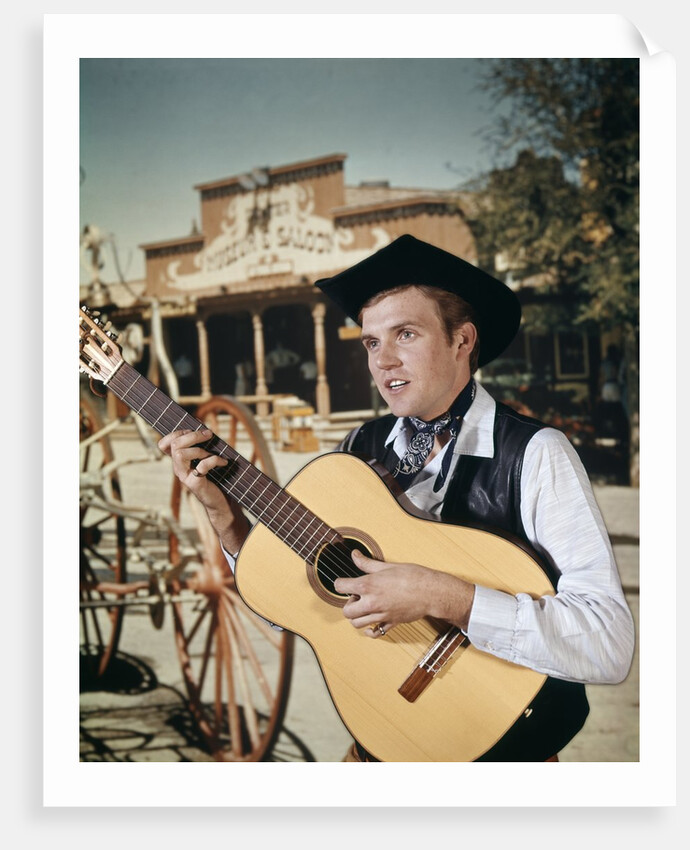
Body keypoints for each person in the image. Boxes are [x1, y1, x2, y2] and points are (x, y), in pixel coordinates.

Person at [158, 234, 635, 762]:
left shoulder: (535, 453)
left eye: (405, 334)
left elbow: (606, 644)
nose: (384, 361)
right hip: (381, 746)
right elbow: (293, 610)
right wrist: (226, 518)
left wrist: (444, 596)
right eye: (370, 343)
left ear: (462, 340)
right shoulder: (356, 452)